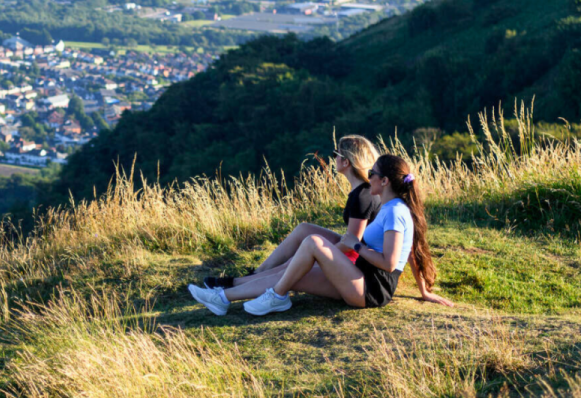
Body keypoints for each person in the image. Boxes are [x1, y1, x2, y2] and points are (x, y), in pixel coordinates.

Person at [189, 153, 454, 316]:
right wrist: (424, 291)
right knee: (292, 270)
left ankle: (276, 298)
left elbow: (389, 261)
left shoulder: (395, 212)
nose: (369, 176)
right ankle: (222, 298)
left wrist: (356, 246)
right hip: (359, 277)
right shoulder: (392, 208)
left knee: (313, 242)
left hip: (371, 289)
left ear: (384, 181)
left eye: (372, 173)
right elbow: (412, 250)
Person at [202, 135, 380, 290]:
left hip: (358, 261)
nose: (333, 158)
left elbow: (351, 244)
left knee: (295, 260)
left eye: (336, 154)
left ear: (346, 161)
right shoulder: (363, 190)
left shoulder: (362, 196)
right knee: (304, 229)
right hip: (358, 252)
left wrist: (319, 254)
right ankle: (257, 274)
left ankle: (237, 284)